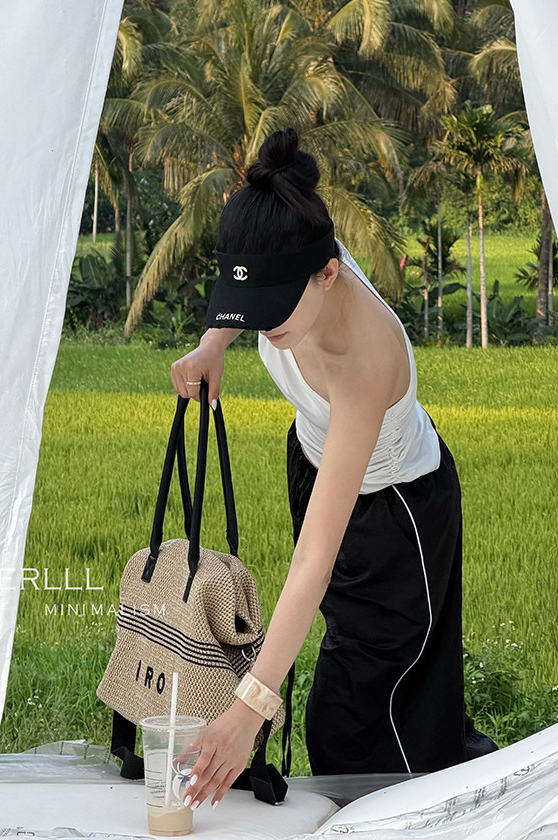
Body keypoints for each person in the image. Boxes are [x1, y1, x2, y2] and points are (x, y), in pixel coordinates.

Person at [170, 128, 496, 811]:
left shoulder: (365, 358)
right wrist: (212, 344)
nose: (263, 327)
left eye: (272, 311)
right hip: (315, 463)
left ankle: (444, 810)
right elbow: (248, 286)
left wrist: (248, 710)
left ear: (329, 271)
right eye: (248, 310)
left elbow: (314, 560)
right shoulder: (289, 251)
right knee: (366, 679)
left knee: (367, 714)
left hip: (396, 514)